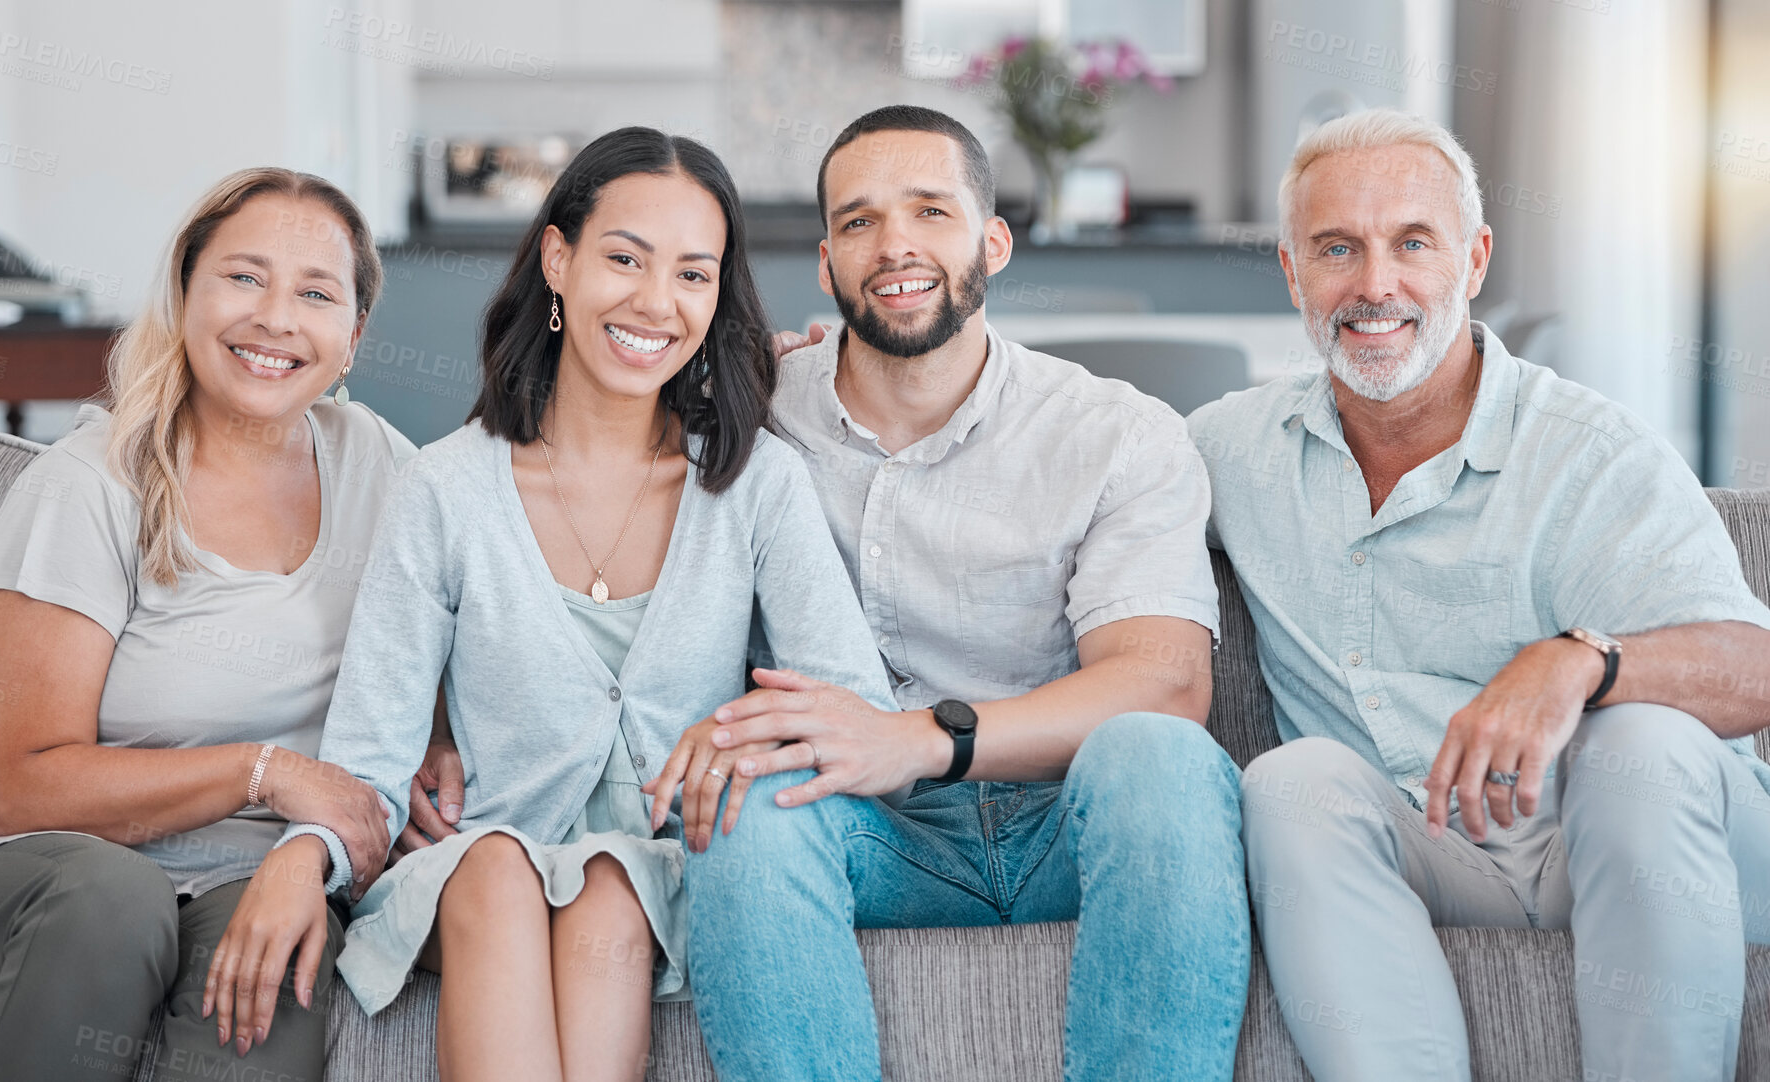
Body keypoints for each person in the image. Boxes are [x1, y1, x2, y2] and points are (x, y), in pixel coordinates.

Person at [216, 126, 897, 1082]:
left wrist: (740, 733)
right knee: (497, 867)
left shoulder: (756, 484)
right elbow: (370, 753)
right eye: (624, 259)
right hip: (483, 864)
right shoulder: (447, 489)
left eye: (693, 275)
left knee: (615, 883)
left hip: (664, 868)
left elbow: (849, 699)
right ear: (558, 259)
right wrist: (304, 853)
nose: (656, 302)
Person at [1189, 108, 1770, 1081]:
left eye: (1410, 242)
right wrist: (867, 377)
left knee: (1637, 739)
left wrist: (1580, 660)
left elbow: (1753, 666)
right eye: (1337, 247)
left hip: (1646, 837)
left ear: (1472, 258)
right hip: (1433, 846)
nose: (1374, 284)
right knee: (1287, 779)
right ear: (1292, 271)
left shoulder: (1588, 448)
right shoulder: (1228, 449)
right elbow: (1071, 480)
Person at [673, 105, 1249, 1081]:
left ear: (992, 241)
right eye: (858, 221)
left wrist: (918, 735)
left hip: (1066, 813)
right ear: (824, 264)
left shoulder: (1114, 431)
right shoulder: (745, 416)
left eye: (928, 210)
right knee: (748, 795)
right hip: (871, 829)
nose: (893, 242)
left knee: (1162, 758)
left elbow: (1162, 683)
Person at [0, 168, 414, 1081]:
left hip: (250, 867)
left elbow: (520, 553)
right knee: (116, 898)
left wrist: (750, 373)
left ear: (350, 340)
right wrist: (266, 774)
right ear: (185, 294)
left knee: (270, 973)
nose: (275, 317)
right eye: (243, 277)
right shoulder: (85, 484)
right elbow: (23, 787)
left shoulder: (382, 467)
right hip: (39, 860)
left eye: (315, 293)